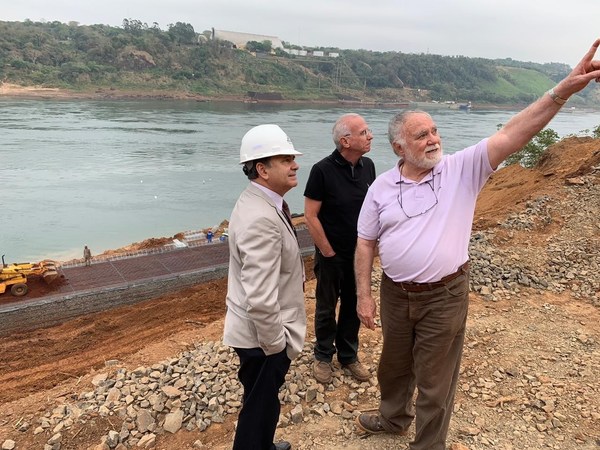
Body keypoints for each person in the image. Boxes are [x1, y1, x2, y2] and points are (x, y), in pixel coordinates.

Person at [354, 40, 600, 450]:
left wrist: (562, 90)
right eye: (421, 135)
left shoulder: (461, 169)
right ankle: (393, 417)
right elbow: (365, 243)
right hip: (394, 294)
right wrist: (364, 296)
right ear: (399, 147)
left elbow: (513, 132)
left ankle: (428, 446)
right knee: (393, 367)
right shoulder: (380, 186)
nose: (433, 139)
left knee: (435, 381)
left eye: (434, 130)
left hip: (444, 295)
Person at [223, 124, 306, 450]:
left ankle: (265, 447)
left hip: (255, 332)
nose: (295, 164)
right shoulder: (261, 218)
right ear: (262, 168)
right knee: (258, 410)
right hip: (263, 337)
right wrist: (277, 347)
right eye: (286, 159)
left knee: (261, 402)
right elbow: (260, 296)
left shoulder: (257, 201)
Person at [304, 113, 376, 384]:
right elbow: (310, 215)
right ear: (345, 141)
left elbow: (372, 210)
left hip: (359, 253)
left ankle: (348, 356)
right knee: (325, 306)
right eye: (364, 132)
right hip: (331, 255)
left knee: (353, 304)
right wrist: (328, 252)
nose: (370, 136)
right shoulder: (321, 170)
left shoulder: (368, 166)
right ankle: (323, 356)